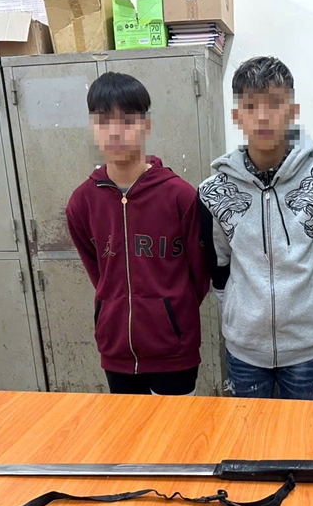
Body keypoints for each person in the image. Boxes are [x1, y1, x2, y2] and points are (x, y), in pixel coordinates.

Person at [199, 56, 313, 401]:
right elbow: (218, 265)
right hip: (244, 349)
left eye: (274, 104)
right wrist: (240, 312)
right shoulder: (213, 191)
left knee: (301, 433)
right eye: (251, 107)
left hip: (305, 348)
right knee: (249, 432)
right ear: (237, 115)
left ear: (292, 110)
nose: (263, 117)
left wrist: (312, 312)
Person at [67, 72, 209, 396]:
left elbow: (199, 276)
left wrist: (171, 313)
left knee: (176, 428)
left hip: (175, 353)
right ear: (93, 127)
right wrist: (113, 306)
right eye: (104, 122)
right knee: (129, 429)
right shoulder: (82, 202)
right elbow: (99, 273)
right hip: (116, 352)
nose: (116, 132)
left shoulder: (180, 196)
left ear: (146, 125)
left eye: (128, 121)